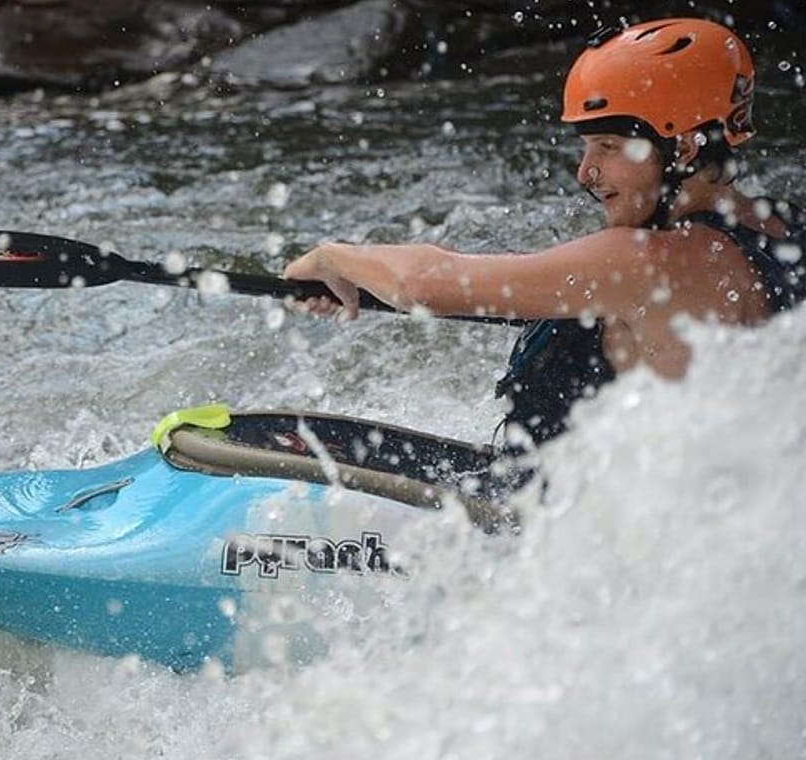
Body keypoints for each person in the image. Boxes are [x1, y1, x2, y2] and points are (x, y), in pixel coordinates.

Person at [284, 18, 805, 492]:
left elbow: (426, 283)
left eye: (606, 146)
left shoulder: (642, 261)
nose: (585, 173)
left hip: (583, 540)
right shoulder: (783, 229)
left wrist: (336, 258)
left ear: (685, 148)